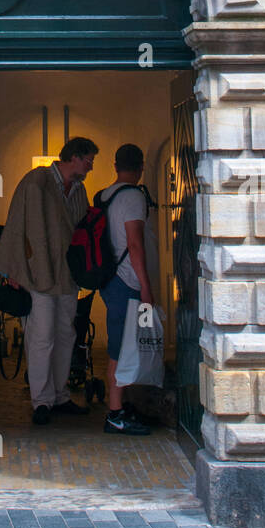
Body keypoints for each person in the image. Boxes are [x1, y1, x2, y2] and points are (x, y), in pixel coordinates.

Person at [0, 137, 97, 425]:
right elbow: (17, 224)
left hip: (66, 274)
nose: (90, 166)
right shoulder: (36, 182)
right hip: (38, 272)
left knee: (66, 334)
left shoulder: (78, 189)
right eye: (88, 160)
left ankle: (59, 395)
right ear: (74, 157)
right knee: (41, 335)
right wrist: (14, 271)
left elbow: (81, 229)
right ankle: (42, 401)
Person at [98, 144, 156, 436]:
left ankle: (121, 405)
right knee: (121, 348)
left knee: (122, 345)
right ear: (141, 166)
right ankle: (115, 413)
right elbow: (134, 244)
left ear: (115, 165)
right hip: (128, 281)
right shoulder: (132, 196)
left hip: (111, 281)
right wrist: (146, 286)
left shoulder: (106, 195)